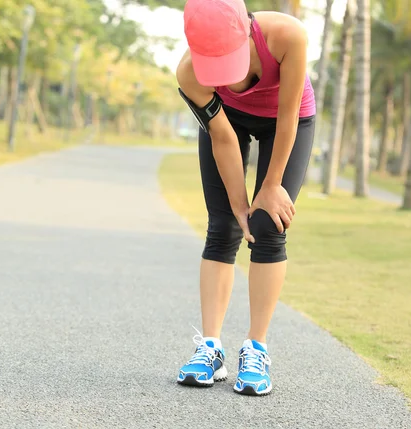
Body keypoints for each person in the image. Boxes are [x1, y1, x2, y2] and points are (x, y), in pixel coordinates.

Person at [175, 0, 316, 396]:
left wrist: (270, 187)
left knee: (268, 225)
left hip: (286, 120)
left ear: (247, 30)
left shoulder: (288, 36)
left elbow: (288, 118)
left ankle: (256, 348)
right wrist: (239, 204)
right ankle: (210, 347)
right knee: (222, 226)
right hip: (229, 122)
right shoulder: (189, 73)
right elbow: (222, 136)